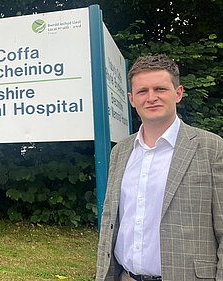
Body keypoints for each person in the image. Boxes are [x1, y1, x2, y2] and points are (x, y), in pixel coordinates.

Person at [95, 54, 223, 281]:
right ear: (131, 99)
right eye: (142, 91)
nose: (151, 97)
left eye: (160, 89)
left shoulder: (212, 149)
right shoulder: (121, 151)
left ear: (178, 93)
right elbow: (110, 221)